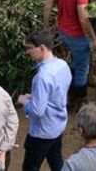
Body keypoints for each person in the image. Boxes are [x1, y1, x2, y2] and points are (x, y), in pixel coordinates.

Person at [45, 0, 96, 101]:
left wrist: (46, 27)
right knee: (82, 68)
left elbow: (48, 5)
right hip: (77, 35)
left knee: (76, 62)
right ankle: (78, 98)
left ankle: (67, 86)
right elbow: (83, 18)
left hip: (62, 31)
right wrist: (94, 39)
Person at [17, 31, 72, 171]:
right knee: (56, 160)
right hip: (58, 125)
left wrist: (25, 101)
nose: (28, 52)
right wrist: (35, 97)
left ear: (41, 48)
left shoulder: (42, 77)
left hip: (42, 132)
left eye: (30, 48)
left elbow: (37, 111)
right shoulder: (62, 65)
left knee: (30, 167)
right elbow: (57, 92)